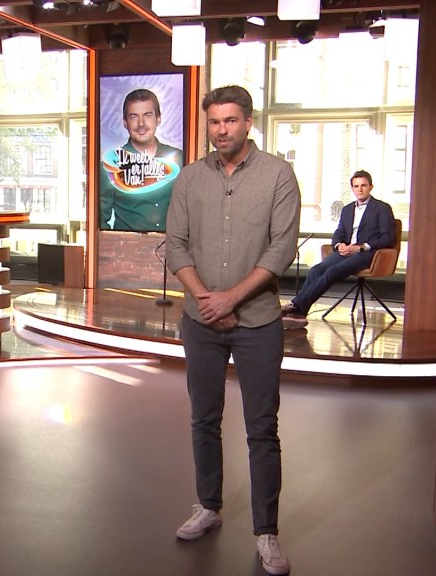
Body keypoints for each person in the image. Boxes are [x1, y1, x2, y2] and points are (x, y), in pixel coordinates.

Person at [165, 85, 299, 575]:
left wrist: (231, 298)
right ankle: (208, 506)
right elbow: (175, 245)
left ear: (248, 122)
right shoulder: (189, 178)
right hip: (200, 322)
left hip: (258, 322)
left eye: (230, 121)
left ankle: (267, 533)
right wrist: (208, 299)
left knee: (262, 428)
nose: (221, 130)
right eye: (214, 122)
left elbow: (280, 249)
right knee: (204, 419)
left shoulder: (278, 175)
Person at [281, 170, 396, 329]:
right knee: (316, 270)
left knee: (332, 271)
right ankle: (299, 314)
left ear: (371, 187)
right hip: (345, 251)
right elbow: (339, 232)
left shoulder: (382, 208)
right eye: (356, 186)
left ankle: (295, 306)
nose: (360, 189)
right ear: (352, 188)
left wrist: (361, 247)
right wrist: (338, 245)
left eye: (363, 185)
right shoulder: (347, 209)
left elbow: (388, 237)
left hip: (367, 253)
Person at [100, 88, 183, 232]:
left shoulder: (179, 159)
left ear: (158, 119)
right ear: (125, 123)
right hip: (127, 245)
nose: (141, 124)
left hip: (172, 245)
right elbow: (100, 223)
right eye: (133, 117)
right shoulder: (111, 166)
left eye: (147, 115)